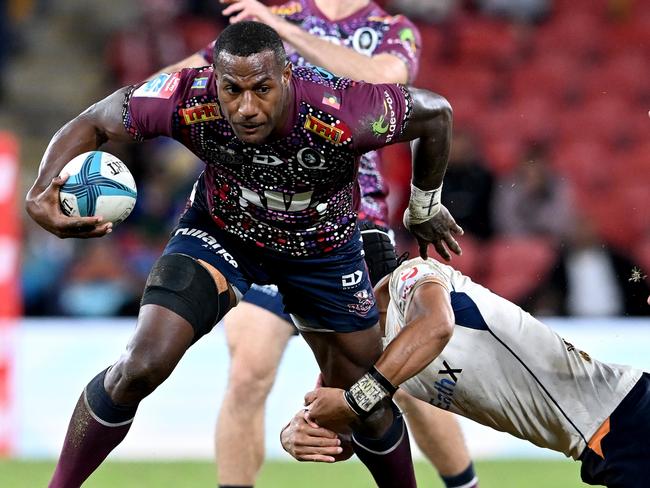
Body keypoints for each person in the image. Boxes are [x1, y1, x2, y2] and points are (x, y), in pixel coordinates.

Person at [25, 21, 463, 488]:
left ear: (288, 77)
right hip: (223, 235)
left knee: (364, 404)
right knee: (142, 363)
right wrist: (38, 195)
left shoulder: (344, 107)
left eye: (262, 88)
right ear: (215, 81)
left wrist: (424, 207)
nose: (247, 107)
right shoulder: (185, 96)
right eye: (232, 90)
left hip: (324, 251)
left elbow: (435, 114)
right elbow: (95, 120)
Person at [160, 2, 478, 487]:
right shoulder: (267, 18)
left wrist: (285, 32)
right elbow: (180, 80)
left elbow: (384, 83)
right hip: (258, 218)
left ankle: (464, 484)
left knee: (402, 384)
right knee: (247, 370)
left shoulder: (392, 30)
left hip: (352, 223)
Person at [283, 231, 650, 488]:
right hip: (608, 434)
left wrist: (353, 401)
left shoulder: (413, 277)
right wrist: (298, 432)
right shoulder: (374, 351)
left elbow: (436, 325)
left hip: (625, 419)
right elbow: (351, 424)